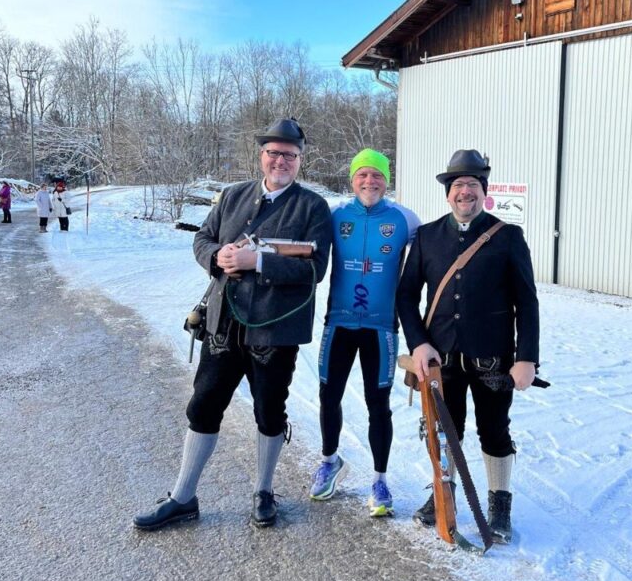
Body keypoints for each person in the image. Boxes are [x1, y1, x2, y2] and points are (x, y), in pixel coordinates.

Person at [133, 118, 332, 531]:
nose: (281, 161)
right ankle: (183, 497)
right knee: (203, 405)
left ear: (300, 161)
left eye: (289, 155)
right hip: (224, 325)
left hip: (276, 331)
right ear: (261, 156)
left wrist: (257, 261)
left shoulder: (313, 207)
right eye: (273, 153)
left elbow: (315, 269)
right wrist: (218, 256)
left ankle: (263, 491)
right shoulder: (232, 196)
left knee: (269, 412)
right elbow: (202, 239)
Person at [396, 149, 540, 542]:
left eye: (472, 185)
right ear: (447, 193)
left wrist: (526, 357)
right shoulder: (426, 236)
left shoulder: (508, 237)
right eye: (458, 185)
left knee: (494, 431)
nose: (465, 193)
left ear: (484, 192)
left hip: (494, 358)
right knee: (445, 430)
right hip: (440, 358)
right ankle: (445, 495)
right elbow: (406, 296)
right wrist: (420, 344)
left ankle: (500, 503)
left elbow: (526, 301)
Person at [311, 148, 420, 516]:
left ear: (387, 180)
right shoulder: (336, 215)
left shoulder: (404, 218)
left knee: (379, 406)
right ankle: (329, 462)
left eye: (377, 175)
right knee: (329, 395)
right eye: (362, 175)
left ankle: (380, 480)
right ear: (352, 179)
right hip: (339, 323)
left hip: (380, 328)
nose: (369, 181)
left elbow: (433, 257)